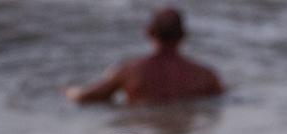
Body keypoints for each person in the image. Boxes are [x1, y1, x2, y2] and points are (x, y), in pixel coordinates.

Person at [66, 8, 223, 105]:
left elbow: (86, 97)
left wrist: (68, 90)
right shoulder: (205, 75)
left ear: (148, 32)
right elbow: (220, 101)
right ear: (183, 35)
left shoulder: (129, 71)